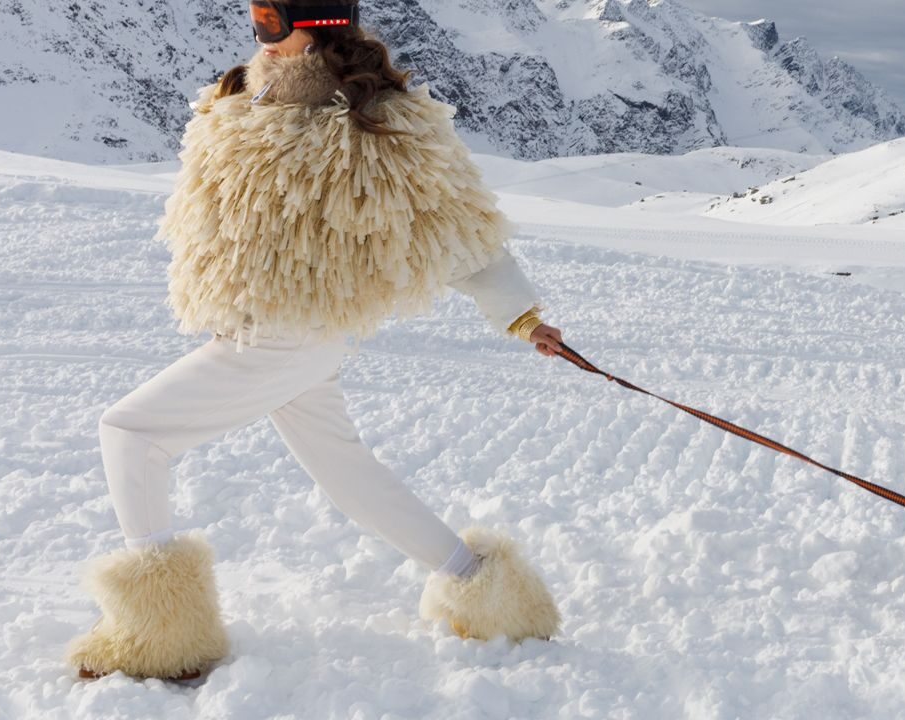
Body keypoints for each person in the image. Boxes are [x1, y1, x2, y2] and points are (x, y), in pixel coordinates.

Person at [67, 0, 562, 681]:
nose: (258, 34)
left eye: (271, 20)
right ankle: (490, 594)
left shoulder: (376, 116)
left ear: (318, 24)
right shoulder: (249, 92)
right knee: (348, 474)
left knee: (131, 432)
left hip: (284, 336)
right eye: (255, 16)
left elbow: (459, 225)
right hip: (295, 334)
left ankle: (160, 632)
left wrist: (521, 316)